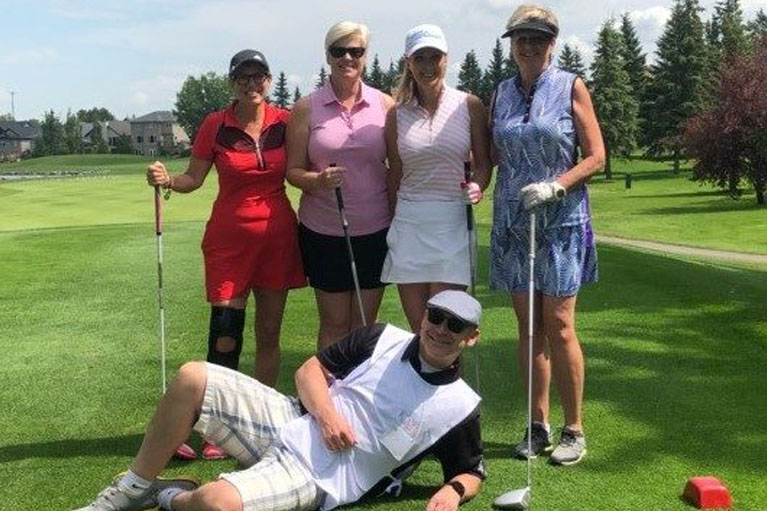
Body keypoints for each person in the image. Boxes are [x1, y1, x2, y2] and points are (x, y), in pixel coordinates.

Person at [74, 290, 486, 511]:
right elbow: (308, 372)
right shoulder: (382, 337)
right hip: (294, 421)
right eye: (436, 316)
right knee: (192, 377)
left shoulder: (459, 406)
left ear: (471, 338)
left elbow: (471, 471)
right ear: (423, 317)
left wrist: (452, 491)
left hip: (326, 477)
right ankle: (133, 488)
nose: (441, 329)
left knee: (214, 503)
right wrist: (325, 416)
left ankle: (170, 497)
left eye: (456, 325)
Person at [145, 49, 306, 460]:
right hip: (229, 241)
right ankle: (218, 425)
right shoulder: (215, 125)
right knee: (225, 334)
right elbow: (193, 179)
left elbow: (305, 165)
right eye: (243, 78)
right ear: (232, 83)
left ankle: (263, 422)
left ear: (269, 81)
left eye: (259, 77)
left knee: (269, 334)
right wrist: (167, 180)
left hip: (277, 237)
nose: (252, 85)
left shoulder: (286, 122)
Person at [489, 4, 605, 465]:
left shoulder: (571, 86)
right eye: (522, 38)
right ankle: (536, 425)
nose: (530, 45)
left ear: (552, 43)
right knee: (528, 328)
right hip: (516, 224)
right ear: (512, 45)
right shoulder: (500, 93)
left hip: (559, 222)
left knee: (558, 325)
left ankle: (573, 428)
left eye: (538, 38)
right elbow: (490, 153)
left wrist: (557, 184)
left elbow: (596, 156)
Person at [286, 21, 394, 349]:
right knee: (333, 325)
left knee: (364, 323)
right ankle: (328, 398)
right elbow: (293, 171)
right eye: (339, 51)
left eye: (355, 51)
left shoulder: (385, 104)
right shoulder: (307, 107)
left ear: (365, 56)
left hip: (376, 229)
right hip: (324, 231)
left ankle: (358, 398)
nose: (347, 57)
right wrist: (317, 181)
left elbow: (398, 166)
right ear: (328, 56)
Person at [382, 24, 491, 332]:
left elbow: (483, 164)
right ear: (409, 63)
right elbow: (396, 172)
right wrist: (392, 223)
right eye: (420, 58)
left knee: (447, 329)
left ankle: (450, 382)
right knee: (420, 331)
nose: (428, 65)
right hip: (409, 223)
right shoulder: (396, 113)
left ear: (446, 59)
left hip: (452, 221)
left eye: (435, 56)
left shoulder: (469, 105)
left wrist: (477, 186)